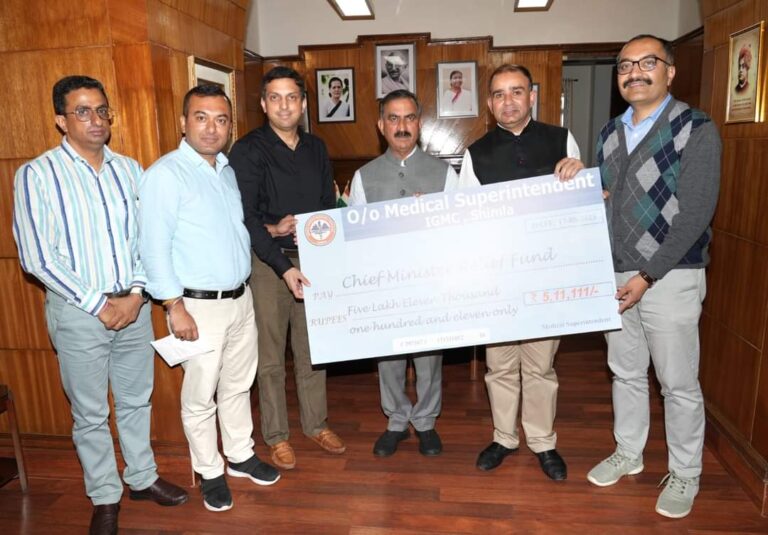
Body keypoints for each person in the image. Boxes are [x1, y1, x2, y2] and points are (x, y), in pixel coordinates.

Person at [12, 75, 188, 535]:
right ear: (61, 120)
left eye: (102, 110)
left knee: (135, 400)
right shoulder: (37, 175)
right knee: (90, 413)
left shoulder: (129, 170)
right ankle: (105, 496)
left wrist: (135, 295)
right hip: (78, 313)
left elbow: (146, 241)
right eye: (83, 111)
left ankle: (142, 478)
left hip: (133, 307)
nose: (96, 120)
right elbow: (37, 257)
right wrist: (100, 305)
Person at [587, 34, 721, 520]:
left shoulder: (695, 128)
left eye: (647, 63)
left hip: (670, 276)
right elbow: (607, 198)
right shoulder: (609, 133)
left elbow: (696, 215)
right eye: (625, 65)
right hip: (616, 273)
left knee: (677, 383)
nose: (634, 73)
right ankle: (629, 451)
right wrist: (581, 183)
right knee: (625, 371)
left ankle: (685, 473)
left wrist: (648, 274)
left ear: (670, 71)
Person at [139, 85, 280, 512]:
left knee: (238, 385)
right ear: (183, 123)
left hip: (240, 299)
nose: (211, 128)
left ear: (230, 126)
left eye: (221, 119)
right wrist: (173, 305)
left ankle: (239, 455)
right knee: (201, 395)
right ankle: (209, 471)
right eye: (201, 117)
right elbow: (153, 247)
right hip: (196, 306)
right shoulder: (166, 174)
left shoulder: (226, 171)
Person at [458, 64, 583, 481]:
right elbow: (465, 219)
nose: (508, 101)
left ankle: (543, 441)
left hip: (546, 276)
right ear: (489, 103)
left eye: (516, 92)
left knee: (540, 366)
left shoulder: (561, 139)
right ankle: (504, 437)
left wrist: (578, 174)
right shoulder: (476, 153)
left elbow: (577, 205)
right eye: (499, 94)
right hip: (498, 281)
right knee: (499, 366)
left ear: (532, 96)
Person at [229, 66, 346, 471]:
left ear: (303, 104)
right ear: (264, 104)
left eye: (292, 97)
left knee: (314, 350)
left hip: (313, 261)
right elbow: (246, 218)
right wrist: (281, 261)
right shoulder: (247, 150)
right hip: (268, 263)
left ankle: (316, 424)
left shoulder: (316, 147)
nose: (284, 105)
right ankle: (277, 435)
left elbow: (327, 207)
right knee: (271, 355)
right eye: (275, 98)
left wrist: (328, 257)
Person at [347, 90, 458, 457]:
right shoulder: (363, 176)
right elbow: (355, 235)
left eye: (409, 118)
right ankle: (396, 420)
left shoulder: (446, 173)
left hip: (430, 283)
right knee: (389, 357)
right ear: (381, 125)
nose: (402, 126)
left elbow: (459, 229)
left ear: (419, 124)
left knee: (429, 359)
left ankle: (425, 421)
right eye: (393, 118)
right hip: (384, 285)